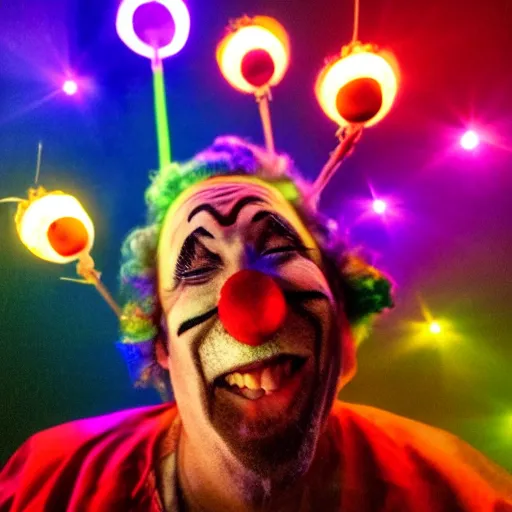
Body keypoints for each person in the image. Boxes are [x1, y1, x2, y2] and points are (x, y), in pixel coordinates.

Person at [1, 136, 511, 511]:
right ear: (162, 346)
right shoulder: (46, 486)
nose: (248, 303)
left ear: (339, 315)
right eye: (196, 268)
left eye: (280, 248)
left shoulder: (461, 496)